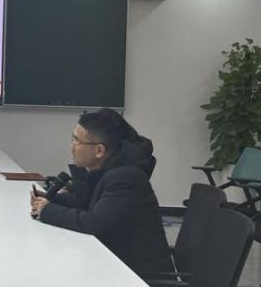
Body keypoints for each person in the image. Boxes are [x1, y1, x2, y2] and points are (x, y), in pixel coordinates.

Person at [31, 109, 172, 277]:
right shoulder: (106, 171)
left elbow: (95, 223)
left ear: (99, 150)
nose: (71, 146)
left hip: (138, 279)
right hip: (113, 266)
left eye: (76, 141)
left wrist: (47, 210)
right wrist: (52, 199)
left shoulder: (126, 178)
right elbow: (86, 203)